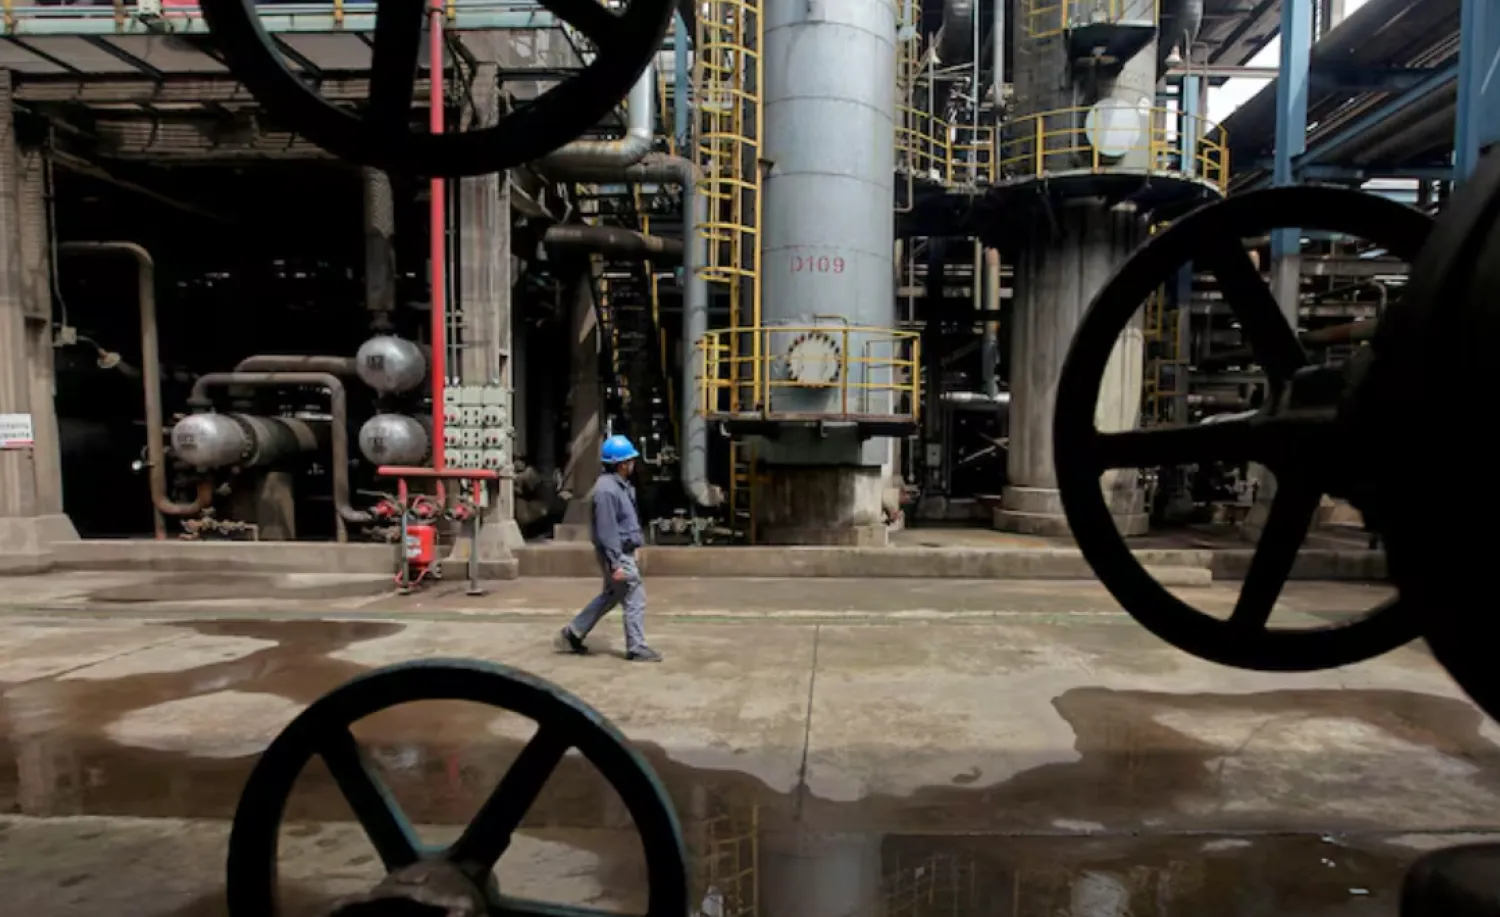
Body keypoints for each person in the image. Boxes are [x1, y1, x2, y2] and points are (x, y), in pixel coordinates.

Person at [555, 434, 663, 662]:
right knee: (635, 596)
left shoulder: (619, 487)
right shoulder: (607, 491)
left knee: (611, 596)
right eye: (631, 460)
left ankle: (573, 633)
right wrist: (616, 563)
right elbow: (607, 531)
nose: (633, 464)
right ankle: (636, 646)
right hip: (616, 554)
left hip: (623, 552)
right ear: (622, 463)